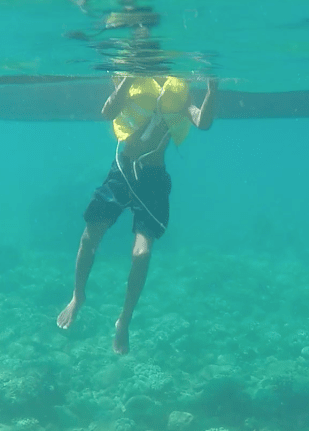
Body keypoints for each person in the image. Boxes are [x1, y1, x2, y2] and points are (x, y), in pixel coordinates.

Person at [57, 74, 217, 354]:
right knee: (90, 235)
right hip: (122, 168)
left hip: (153, 177)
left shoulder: (179, 88)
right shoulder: (129, 79)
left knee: (142, 253)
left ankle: (124, 320)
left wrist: (212, 91)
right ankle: (77, 296)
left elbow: (202, 121)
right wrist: (128, 79)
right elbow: (107, 111)